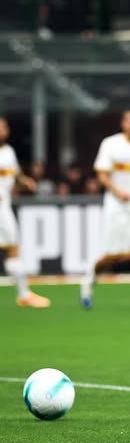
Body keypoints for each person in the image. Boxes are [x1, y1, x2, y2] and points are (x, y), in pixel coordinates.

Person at [80, 110, 130, 312]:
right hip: (116, 204)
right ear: (123, 124)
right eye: (129, 121)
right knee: (113, 256)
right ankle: (88, 280)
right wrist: (117, 191)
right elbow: (102, 174)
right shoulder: (111, 144)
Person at [0, 117, 51, 308]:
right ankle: (24, 294)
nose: (2, 130)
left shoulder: (8, 152)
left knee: (13, 248)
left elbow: (15, 175)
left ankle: (24, 295)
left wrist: (25, 181)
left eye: (4, 126)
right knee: (13, 248)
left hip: (3, 207)